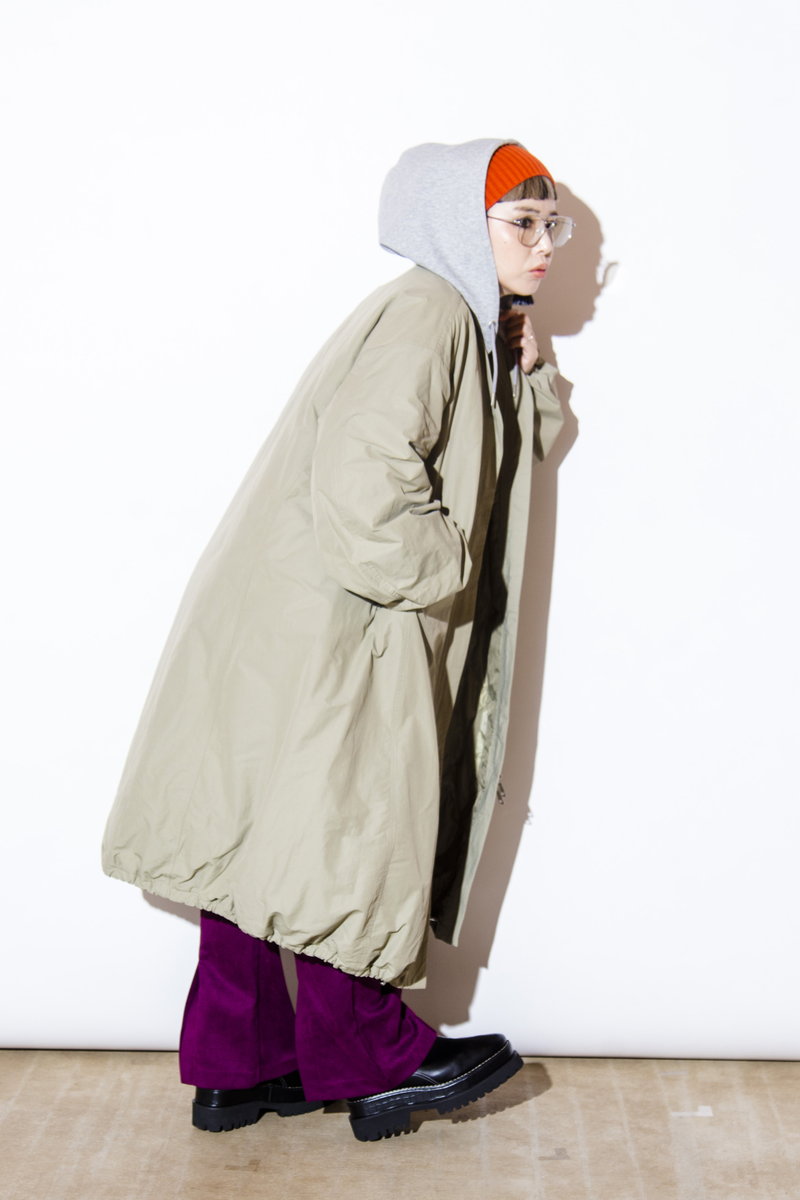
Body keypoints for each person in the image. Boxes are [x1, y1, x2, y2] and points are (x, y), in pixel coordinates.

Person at [101, 138, 573, 1142]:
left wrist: (524, 365)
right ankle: (371, 1059)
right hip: (346, 625)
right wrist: (449, 569)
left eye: (552, 225)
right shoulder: (429, 314)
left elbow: (486, 457)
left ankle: (241, 1067)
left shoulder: (452, 317)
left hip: (301, 618)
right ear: (460, 221)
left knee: (264, 840)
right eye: (523, 223)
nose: (545, 245)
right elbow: (367, 482)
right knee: (347, 838)